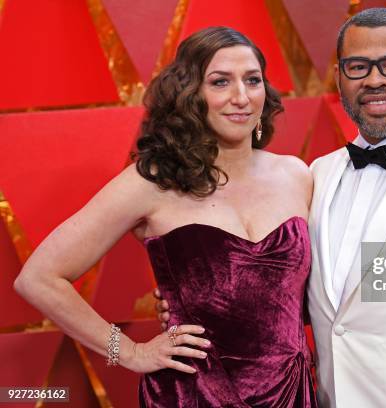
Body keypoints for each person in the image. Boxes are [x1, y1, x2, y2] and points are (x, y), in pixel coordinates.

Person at [155, 8, 386, 408]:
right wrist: (197, 293)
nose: (374, 80)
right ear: (339, 78)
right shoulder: (319, 174)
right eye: (358, 67)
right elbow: (290, 288)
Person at [14, 27, 317, 407]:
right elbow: (38, 278)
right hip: (194, 394)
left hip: (290, 392)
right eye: (220, 82)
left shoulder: (297, 175)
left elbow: (307, 292)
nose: (241, 97)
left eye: (252, 80)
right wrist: (127, 352)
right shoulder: (153, 181)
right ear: (191, 94)